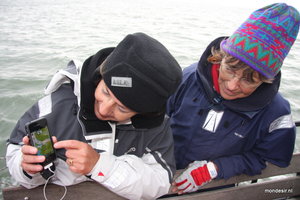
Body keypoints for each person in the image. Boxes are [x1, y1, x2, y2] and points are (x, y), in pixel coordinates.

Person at [6, 32, 182, 199]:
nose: (104, 110)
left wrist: (99, 165)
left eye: (122, 109)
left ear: (143, 112)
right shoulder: (55, 105)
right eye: (106, 92)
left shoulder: (156, 125)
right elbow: (14, 152)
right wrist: (27, 168)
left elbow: (160, 182)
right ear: (101, 74)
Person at [167, 3, 299, 194]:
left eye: (249, 80)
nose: (231, 85)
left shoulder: (277, 113)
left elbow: (267, 159)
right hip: (161, 177)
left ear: (266, 80)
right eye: (230, 69)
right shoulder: (188, 77)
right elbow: (157, 122)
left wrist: (215, 169)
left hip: (216, 192)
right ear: (221, 57)